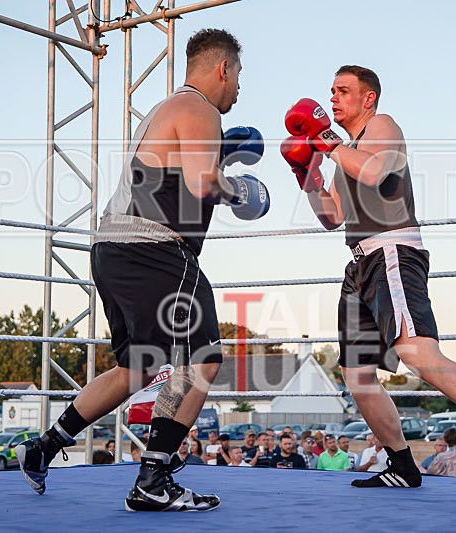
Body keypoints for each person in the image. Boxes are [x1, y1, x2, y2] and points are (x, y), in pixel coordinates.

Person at [15, 28, 268, 513]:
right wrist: (242, 190)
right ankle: (153, 477)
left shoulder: (166, 110)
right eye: (238, 75)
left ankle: (42, 448)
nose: (239, 87)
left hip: (112, 248)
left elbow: (176, 181)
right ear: (223, 68)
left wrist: (220, 156)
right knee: (202, 357)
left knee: (138, 368)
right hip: (153, 248)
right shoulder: (200, 109)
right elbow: (202, 183)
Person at [281, 65, 456, 494]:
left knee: (418, 354)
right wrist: (306, 174)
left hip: (392, 253)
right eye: (331, 91)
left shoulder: (382, 127)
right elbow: (332, 217)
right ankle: (403, 464)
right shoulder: (343, 155)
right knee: (356, 375)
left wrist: (325, 143)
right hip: (359, 266)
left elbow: (375, 172)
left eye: (343, 91)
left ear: (368, 98)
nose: (332, 98)